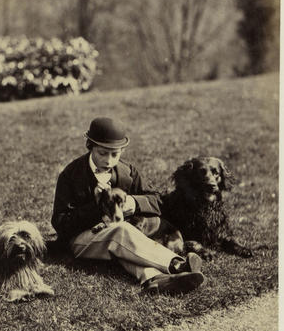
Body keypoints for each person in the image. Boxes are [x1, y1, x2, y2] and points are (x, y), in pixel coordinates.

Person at [51, 117, 205, 294]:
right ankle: (177, 264)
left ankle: (156, 280)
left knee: (122, 242)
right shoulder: (71, 175)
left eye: (115, 154)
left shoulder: (128, 172)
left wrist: (134, 202)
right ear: (90, 146)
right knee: (120, 231)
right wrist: (98, 206)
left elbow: (157, 201)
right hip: (81, 240)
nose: (108, 161)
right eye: (102, 153)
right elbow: (60, 222)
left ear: (122, 151)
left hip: (119, 242)